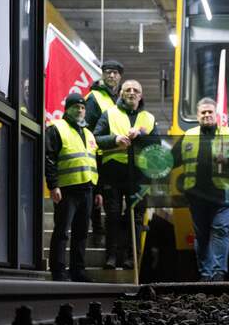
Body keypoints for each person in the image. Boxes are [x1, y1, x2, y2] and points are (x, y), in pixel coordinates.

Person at [171, 97, 229, 281]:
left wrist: (227, 160)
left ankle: (218, 273)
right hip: (196, 195)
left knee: (221, 230)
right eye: (203, 112)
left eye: (210, 112)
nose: (206, 115)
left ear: (216, 114)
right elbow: (172, 160)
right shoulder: (188, 135)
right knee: (201, 236)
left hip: (222, 194)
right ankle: (205, 274)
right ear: (198, 116)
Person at [93, 79, 159, 270]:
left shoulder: (148, 118)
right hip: (113, 174)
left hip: (139, 176)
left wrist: (141, 137)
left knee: (136, 218)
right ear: (121, 93)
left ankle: (132, 258)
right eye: (127, 89)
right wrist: (115, 139)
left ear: (141, 95)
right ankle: (111, 257)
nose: (131, 92)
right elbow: (95, 139)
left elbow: (156, 145)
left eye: (135, 90)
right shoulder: (109, 114)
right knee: (112, 216)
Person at [45, 93, 100, 282]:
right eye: (76, 106)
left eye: (82, 107)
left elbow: (94, 162)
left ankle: (78, 270)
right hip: (67, 189)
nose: (80, 110)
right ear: (67, 109)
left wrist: (97, 191)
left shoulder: (89, 133)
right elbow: (49, 158)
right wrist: (53, 185)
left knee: (81, 233)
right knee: (62, 231)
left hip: (87, 189)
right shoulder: (56, 129)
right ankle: (58, 271)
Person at [85, 60, 124, 236]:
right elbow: (89, 128)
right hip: (96, 152)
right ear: (102, 74)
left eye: (115, 73)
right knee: (95, 192)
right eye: (108, 72)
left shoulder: (121, 98)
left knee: (107, 198)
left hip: (113, 153)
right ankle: (97, 230)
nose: (111, 75)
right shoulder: (94, 97)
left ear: (120, 76)